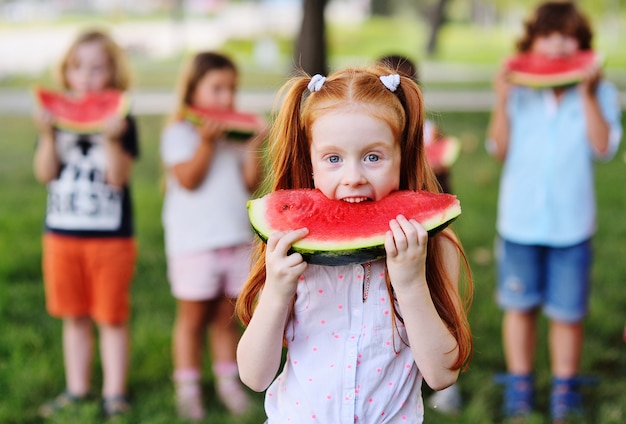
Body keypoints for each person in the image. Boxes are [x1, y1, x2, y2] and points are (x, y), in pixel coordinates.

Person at [235, 65, 473, 423]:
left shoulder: (436, 246)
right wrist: (277, 290)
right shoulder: (288, 248)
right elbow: (254, 377)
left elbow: (442, 375)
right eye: (333, 159)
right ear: (311, 162)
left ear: (402, 155)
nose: (353, 178)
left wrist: (410, 284)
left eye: (373, 157)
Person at [487, 1, 622, 422]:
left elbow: (603, 148)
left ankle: (564, 388)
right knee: (519, 306)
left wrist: (587, 94)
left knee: (568, 312)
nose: (560, 44)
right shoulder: (519, 89)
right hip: (519, 221)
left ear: (582, 44)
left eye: (570, 36)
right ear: (533, 42)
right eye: (550, 34)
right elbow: (499, 148)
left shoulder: (600, 92)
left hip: (572, 224)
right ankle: (520, 384)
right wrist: (501, 98)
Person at [33, 29, 139, 419]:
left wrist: (112, 139)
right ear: (66, 73)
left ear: (114, 73)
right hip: (61, 236)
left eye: (98, 68)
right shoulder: (56, 119)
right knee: (73, 316)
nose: (87, 76)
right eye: (78, 67)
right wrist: (46, 135)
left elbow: (119, 177)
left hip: (111, 239)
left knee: (111, 317)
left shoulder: (122, 118)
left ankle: (115, 393)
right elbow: (45, 173)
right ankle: (76, 389)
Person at [160, 51, 267, 420]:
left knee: (226, 317)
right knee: (191, 320)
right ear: (192, 90)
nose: (226, 98)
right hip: (194, 244)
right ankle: (187, 388)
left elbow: (250, 183)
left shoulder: (236, 138)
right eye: (217, 88)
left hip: (236, 239)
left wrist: (253, 145)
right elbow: (189, 180)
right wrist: (207, 142)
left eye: (232, 89)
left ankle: (227, 382)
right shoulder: (178, 132)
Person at [377, 54, 461, 415]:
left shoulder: (428, 132)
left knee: (440, 310)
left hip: (423, 236)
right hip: (382, 239)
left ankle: (446, 389)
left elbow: (445, 194)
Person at [378, 54, 454, 194]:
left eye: (402, 89)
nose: (396, 97)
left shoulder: (432, 132)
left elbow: (445, 194)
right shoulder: (365, 132)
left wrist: (438, 172)